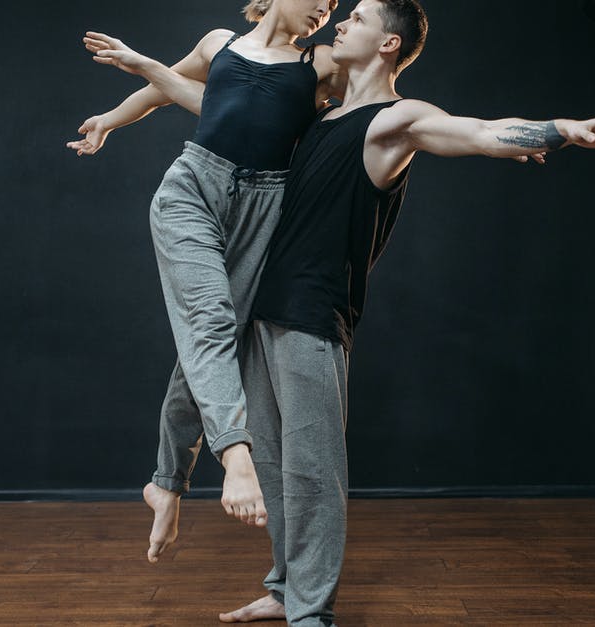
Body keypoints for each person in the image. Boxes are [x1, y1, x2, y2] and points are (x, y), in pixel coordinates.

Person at [91, 0, 595, 623]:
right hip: (268, 301)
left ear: (387, 45)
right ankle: (282, 587)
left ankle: (311, 613)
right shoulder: (320, 114)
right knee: (271, 460)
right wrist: (131, 89)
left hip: (312, 312)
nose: (341, 21)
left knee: (312, 471)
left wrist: (557, 129)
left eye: (356, 17)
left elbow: (477, 131)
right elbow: (216, 103)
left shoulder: (394, 119)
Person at [67, 0, 342, 564]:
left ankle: (165, 483)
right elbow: (166, 91)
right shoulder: (219, 42)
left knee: (206, 347)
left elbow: (377, 89)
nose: (326, 8)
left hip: (264, 207)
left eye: (336, 6)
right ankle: (234, 458)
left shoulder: (320, 67)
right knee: (210, 322)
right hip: (193, 188)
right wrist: (108, 122)